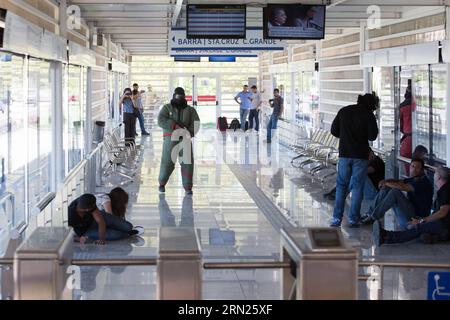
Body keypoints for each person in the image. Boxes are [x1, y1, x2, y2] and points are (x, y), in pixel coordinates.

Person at [330, 93, 379, 228]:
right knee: (357, 187)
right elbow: (373, 136)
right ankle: (353, 218)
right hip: (361, 157)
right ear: (371, 105)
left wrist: (346, 136)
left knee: (341, 186)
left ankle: (336, 218)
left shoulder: (344, 111)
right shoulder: (369, 115)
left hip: (344, 154)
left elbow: (334, 131)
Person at [373, 166, 450, 246]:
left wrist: (422, 220)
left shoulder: (445, 190)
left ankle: (387, 237)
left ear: (439, 177)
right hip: (442, 224)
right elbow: (401, 181)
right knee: (420, 229)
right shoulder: (444, 189)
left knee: (418, 228)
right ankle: (432, 237)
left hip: (444, 226)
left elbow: (443, 212)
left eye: (435, 173)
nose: (434, 175)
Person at [361, 158, 433, 229]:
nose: (414, 169)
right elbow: (399, 181)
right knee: (387, 186)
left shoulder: (423, 181)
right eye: (412, 166)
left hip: (416, 219)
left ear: (422, 170)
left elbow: (403, 187)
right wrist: (385, 181)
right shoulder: (414, 178)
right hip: (409, 214)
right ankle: (369, 214)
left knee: (395, 192)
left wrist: (386, 183)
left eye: (417, 168)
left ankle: (373, 217)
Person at [158, 87, 200, 196]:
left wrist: (190, 133)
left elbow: (196, 123)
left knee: (187, 163)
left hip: (185, 139)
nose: (179, 98)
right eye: (177, 96)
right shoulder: (167, 108)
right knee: (167, 162)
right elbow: (160, 120)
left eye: (181, 96)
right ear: (173, 96)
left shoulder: (190, 110)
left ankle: (187, 187)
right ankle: (162, 184)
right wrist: (174, 125)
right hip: (170, 139)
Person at [68, 194, 143, 245]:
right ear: (87, 209)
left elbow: (100, 221)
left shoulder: (87, 200)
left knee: (128, 227)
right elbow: (66, 235)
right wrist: (79, 239)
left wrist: (101, 239)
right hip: (86, 231)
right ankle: (128, 234)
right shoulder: (70, 214)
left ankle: (127, 230)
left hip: (95, 219)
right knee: (115, 234)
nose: (95, 206)